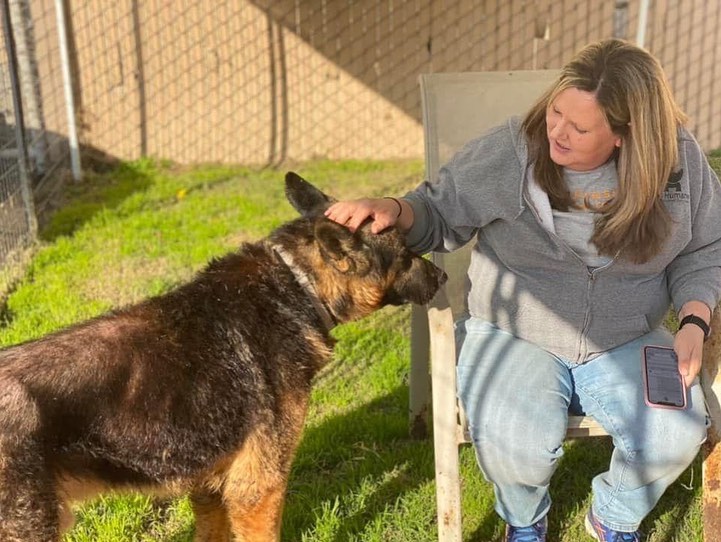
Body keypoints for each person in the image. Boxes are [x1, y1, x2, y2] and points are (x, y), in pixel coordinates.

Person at [324, 38, 721, 542]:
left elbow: (705, 248)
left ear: (627, 135)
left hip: (627, 335)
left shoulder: (679, 167)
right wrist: (393, 210)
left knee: (674, 432)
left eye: (580, 127)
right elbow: (441, 211)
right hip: (516, 332)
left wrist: (693, 318)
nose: (557, 131)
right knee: (517, 444)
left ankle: (613, 518)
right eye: (556, 112)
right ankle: (525, 518)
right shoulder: (514, 150)